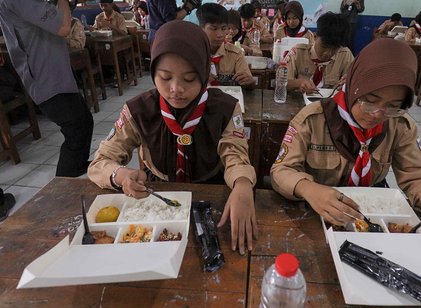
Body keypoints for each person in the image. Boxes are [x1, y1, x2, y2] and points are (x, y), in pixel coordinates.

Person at [270, 38, 421, 257]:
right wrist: (309, 189)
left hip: (371, 216)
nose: (378, 114)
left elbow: (417, 176)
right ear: (353, 84)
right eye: (369, 101)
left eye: (393, 107)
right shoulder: (313, 119)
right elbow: (281, 170)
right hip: (316, 218)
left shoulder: (399, 125)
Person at [88, 20, 257, 255]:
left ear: (204, 72)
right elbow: (100, 162)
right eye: (165, 77)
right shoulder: (138, 110)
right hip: (155, 198)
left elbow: (235, 155)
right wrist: (120, 175)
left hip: (210, 197)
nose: (176, 89)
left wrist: (242, 184)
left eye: (189, 79)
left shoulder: (225, 109)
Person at [0, 0, 93, 177]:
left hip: (53, 73)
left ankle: (75, 172)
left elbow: (56, 15)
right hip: (45, 76)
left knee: (82, 123)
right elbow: (64, 27)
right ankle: (64, 187)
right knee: (77, 128)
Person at [283, 12, 353, 92]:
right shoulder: (297, 53)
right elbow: (281, 82)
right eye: (324, 47)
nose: (328, 53)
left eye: (334, 49)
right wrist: (298, 83)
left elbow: (356, 83)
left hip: (330, 103)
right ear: (315, 36)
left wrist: (350, 83)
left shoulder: (345, 55)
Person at [197, 3, 255, 88]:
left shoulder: (236, 54)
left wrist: (250, 81)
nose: (220, 34)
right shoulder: (193, 53)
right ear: (201, 28)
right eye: (214, 28)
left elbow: (249, 84)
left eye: (224, 28)